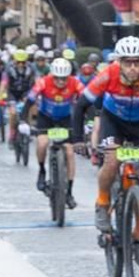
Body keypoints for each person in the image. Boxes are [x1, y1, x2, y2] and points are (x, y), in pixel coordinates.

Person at [78, 36, 139, 235]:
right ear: (119, 62)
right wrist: (76, 140)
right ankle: (102, 201)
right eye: (127, 62)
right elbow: (81, 105)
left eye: (137, 62)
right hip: (113, 121)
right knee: (112, 161)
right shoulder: (108, 74)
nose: (132, 67)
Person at [27, 57, 82, 207]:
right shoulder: (43, 81)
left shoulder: (75, 82)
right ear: (53, 76)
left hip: (65, 119)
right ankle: (42, 171)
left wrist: (89, 119)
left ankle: (69, 192)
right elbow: (31, 98)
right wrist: (22, 120)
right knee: (42, 143)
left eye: (64, 79)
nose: (61, 82)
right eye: (57, 79)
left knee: (70, 152)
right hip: (46, 118)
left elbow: (85, 99)